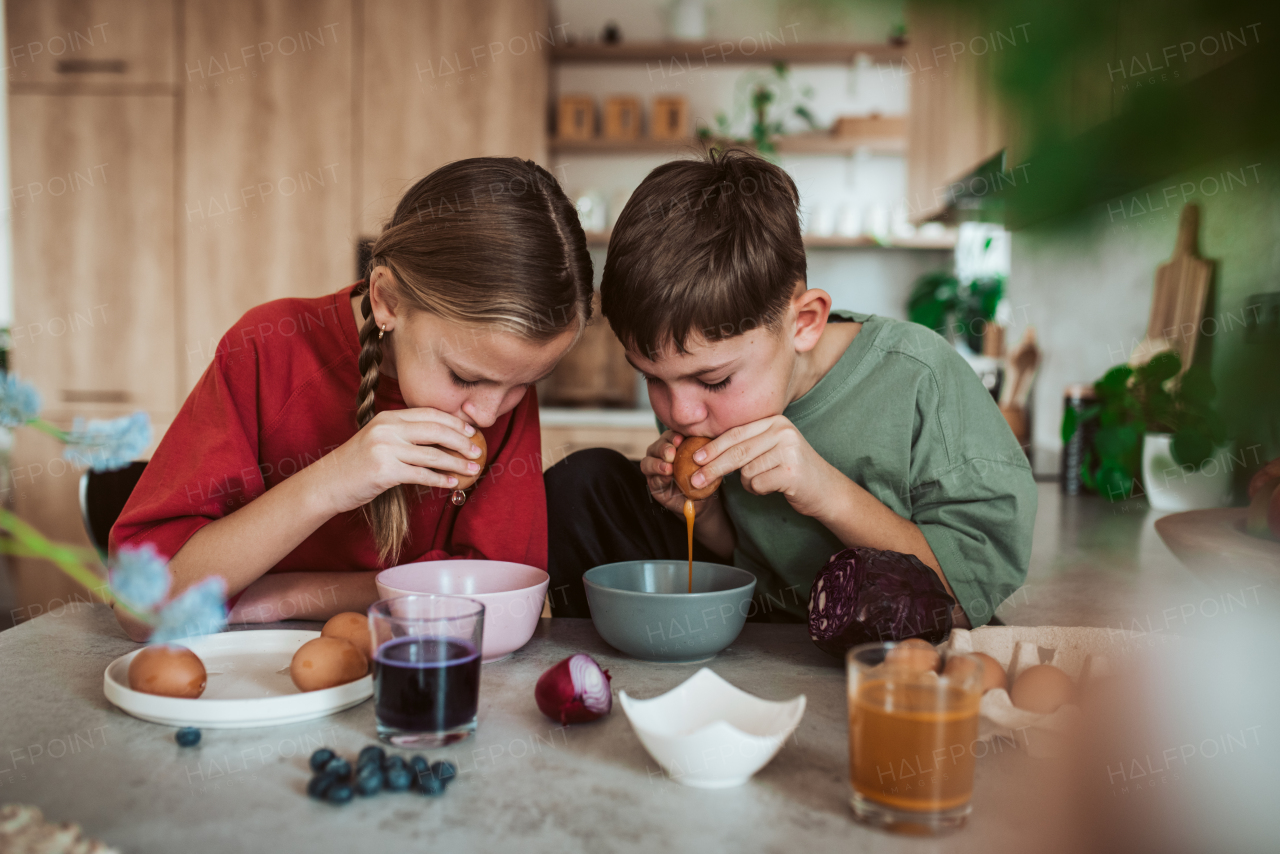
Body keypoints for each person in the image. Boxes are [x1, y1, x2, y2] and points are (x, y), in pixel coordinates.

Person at [545, 148, 1036, 628]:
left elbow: (969, 588)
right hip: (761, 623)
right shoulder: (692, 398)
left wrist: (826, 492)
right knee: (582, 483)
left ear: (804, 322)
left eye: (713, 379)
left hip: (887, 642)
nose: (680, 412)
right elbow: (750, 552)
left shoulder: (921, 378)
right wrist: (704, 512)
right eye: (652, 377)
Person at [112, 158, 593, 641]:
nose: (489, 413)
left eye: (525, 385)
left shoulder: (497, 378)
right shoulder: (266, 349)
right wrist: (334, 480)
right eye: (463, 376)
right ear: (387, 300)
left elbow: (494, 600)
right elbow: (140, 609)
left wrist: (289, 595)